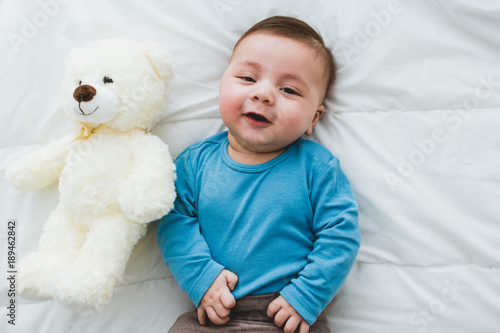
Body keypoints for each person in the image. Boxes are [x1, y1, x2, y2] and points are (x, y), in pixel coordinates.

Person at [157, 15, 360, 333]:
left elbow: (340, 235)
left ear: (313, 118)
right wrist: (201, 276)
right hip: (212, 315)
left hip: (287, 315)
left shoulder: (317, 167)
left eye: (289, 90)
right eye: (248, 79)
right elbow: (173, 223)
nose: (264, 94)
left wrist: (307, 294)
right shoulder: (194, 163)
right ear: (221, 84)